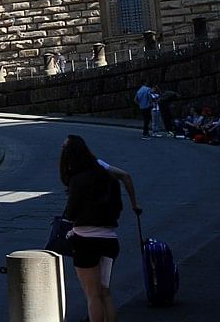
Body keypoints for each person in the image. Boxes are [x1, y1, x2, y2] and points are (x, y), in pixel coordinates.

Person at [60, 135, 138, 322]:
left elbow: (70, 212)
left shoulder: (78, 179)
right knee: (105, 293)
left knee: (92, 295)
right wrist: (135, 204)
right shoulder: (107, 176)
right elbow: (124, 179)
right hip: (110, 238)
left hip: (86, 240)